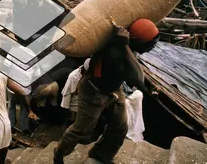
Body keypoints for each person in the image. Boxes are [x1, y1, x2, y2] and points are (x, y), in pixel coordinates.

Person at [53, 19, 160, 164]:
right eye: (150, 44)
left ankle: (101, 155)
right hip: (94, 92)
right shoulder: (113, 51)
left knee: (120, 127)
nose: (152, 48)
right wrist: (124, 46)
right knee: (82, 130)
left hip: (114, 91)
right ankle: (59, 152)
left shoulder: (127, 49)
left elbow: (137, 73)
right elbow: (136, 78)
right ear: (137, 40)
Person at [60, 58, 90, 127]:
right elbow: (67, 92)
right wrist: (65, 106)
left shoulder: (89, 76)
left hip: (85, 101)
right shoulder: (73, 76)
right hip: (75, 101)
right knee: (73, 119)